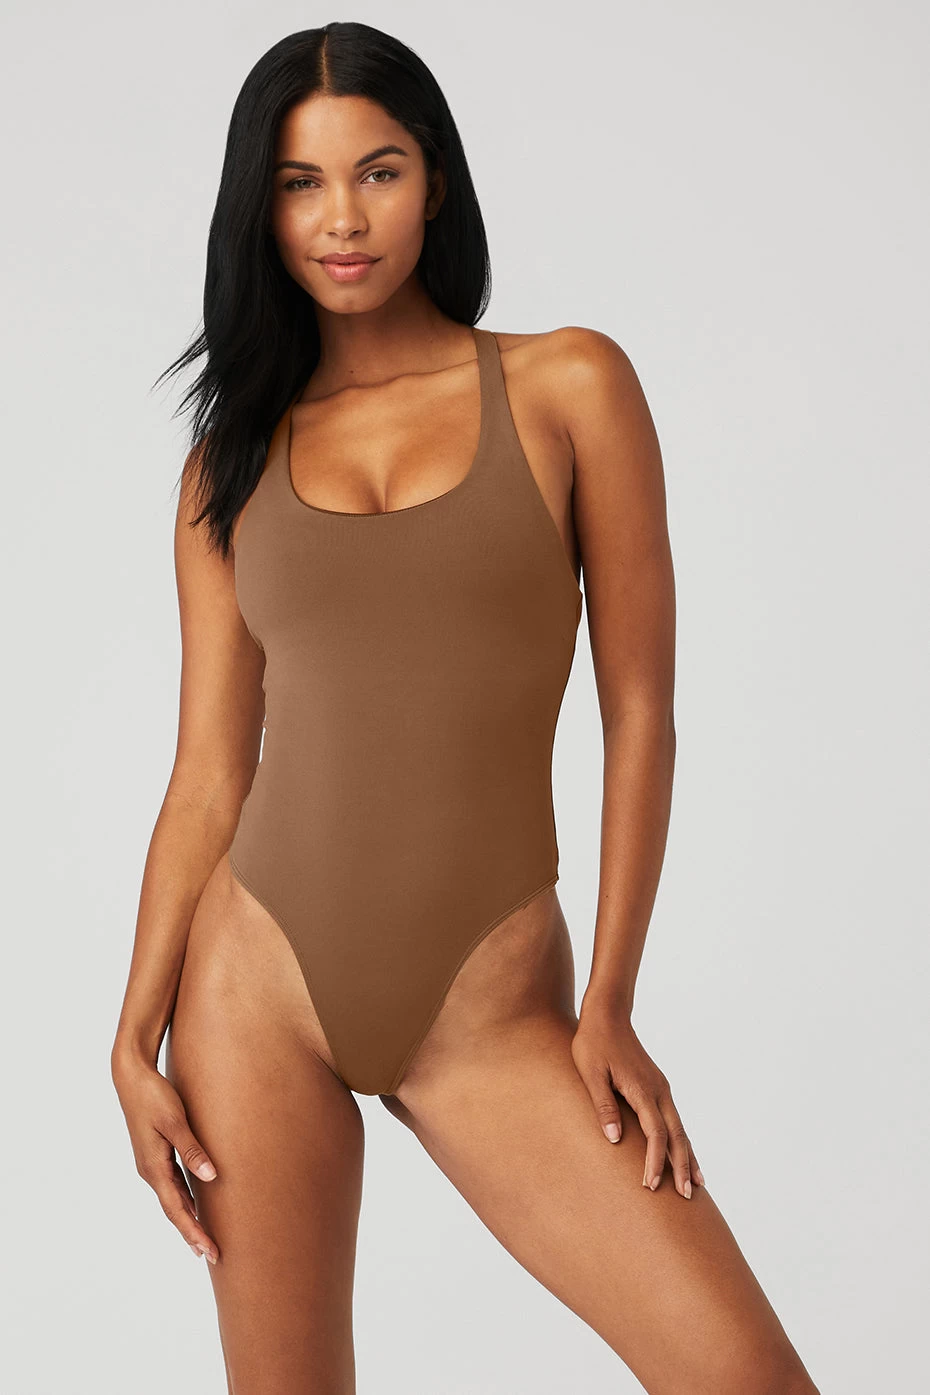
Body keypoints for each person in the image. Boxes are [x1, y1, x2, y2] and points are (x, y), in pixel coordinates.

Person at [111, 21, 820, 1395]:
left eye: (375, 172)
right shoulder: (226, 462)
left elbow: (639, 708)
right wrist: (131, 1037)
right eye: (300, 183)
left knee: (744, 1375)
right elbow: (207, 767)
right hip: (253, 990)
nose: (342, 218)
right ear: (260, 208)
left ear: (433, 179)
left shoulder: (568, 384)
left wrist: (609, 998)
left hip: (487, 1009)